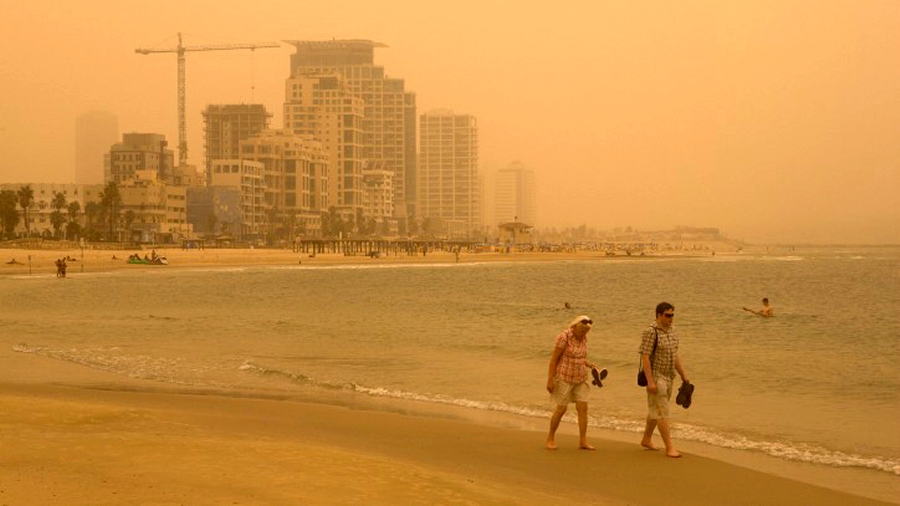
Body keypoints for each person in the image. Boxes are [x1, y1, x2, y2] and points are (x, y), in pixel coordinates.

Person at [639, 302, 690, 458]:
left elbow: (674, 355)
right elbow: (645, 357)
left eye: (672, 315)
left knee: (657, 409)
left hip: (669, 376)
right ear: (659, 315)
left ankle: (646, 439)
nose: (671, 318)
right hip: (656, 375)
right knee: (663, 412)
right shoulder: (650, 331)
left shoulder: (673, 331)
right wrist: (650, 381)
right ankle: (670, 447)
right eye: (668, 315)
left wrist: (683, 374)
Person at [546, 315, 603, 451]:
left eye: (587, 331)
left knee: (583, 408)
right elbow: (554, 360)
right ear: (575, 326)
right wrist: (550, 380)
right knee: (561, 409)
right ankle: (550, 438)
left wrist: (590, 365)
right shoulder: (564, 337)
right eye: (583, 331)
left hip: (580, 378)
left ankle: (583, 441)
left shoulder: (584, 338)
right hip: (564, 377)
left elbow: (580, 357)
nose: (584, 333)